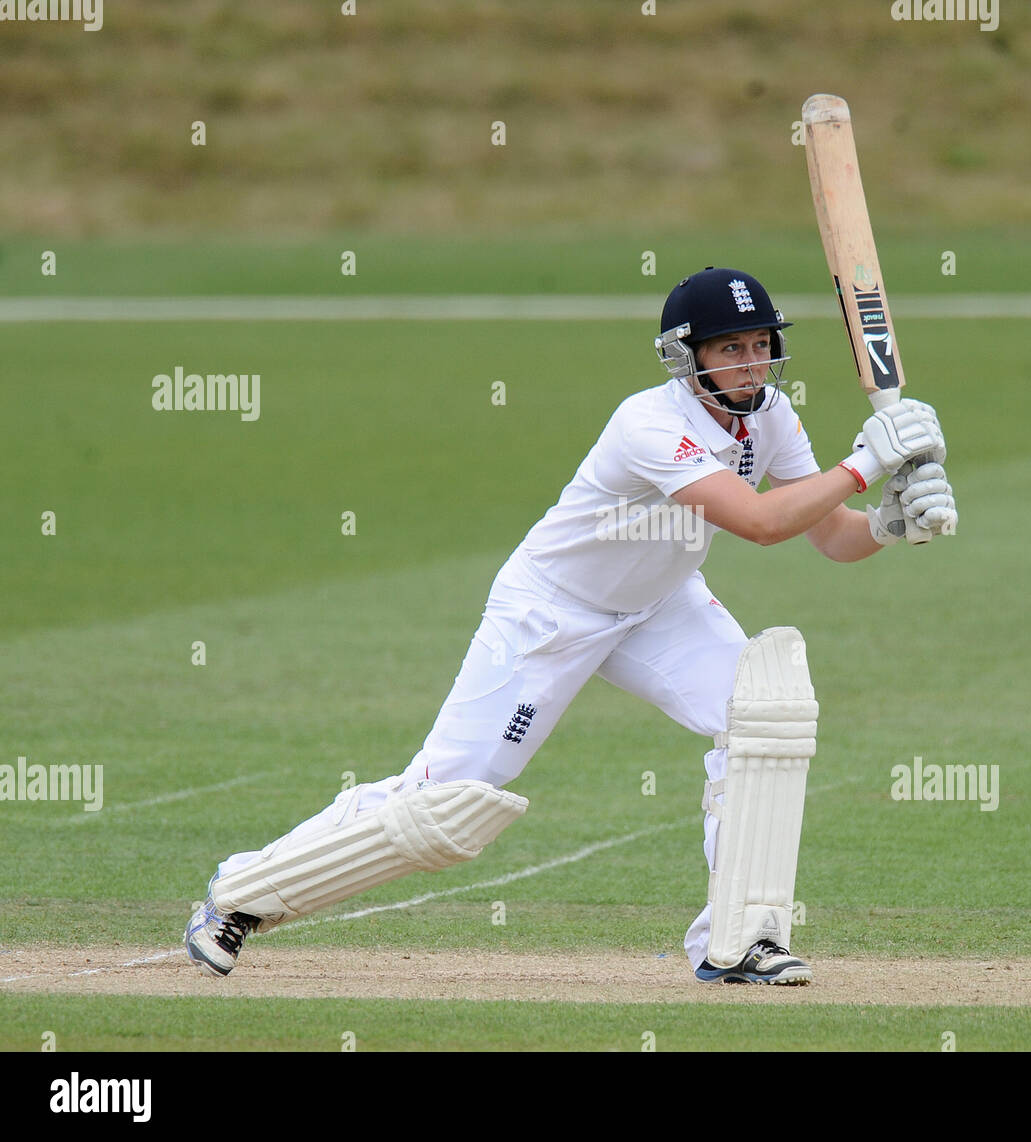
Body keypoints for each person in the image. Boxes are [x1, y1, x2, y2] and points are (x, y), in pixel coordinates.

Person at [184, 266, 956, 985]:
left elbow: (831, 536)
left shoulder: (772, 415)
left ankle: (739, 941)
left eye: (762, 346)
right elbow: (758, 523)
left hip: (661, 606)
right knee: (449, 800)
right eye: (733, 348)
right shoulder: (648, 424)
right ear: (688, 358)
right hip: (551, 611)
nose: (753, 364)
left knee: (759, 721)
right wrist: (863, 465)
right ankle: (243, 893)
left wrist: (888, 525)